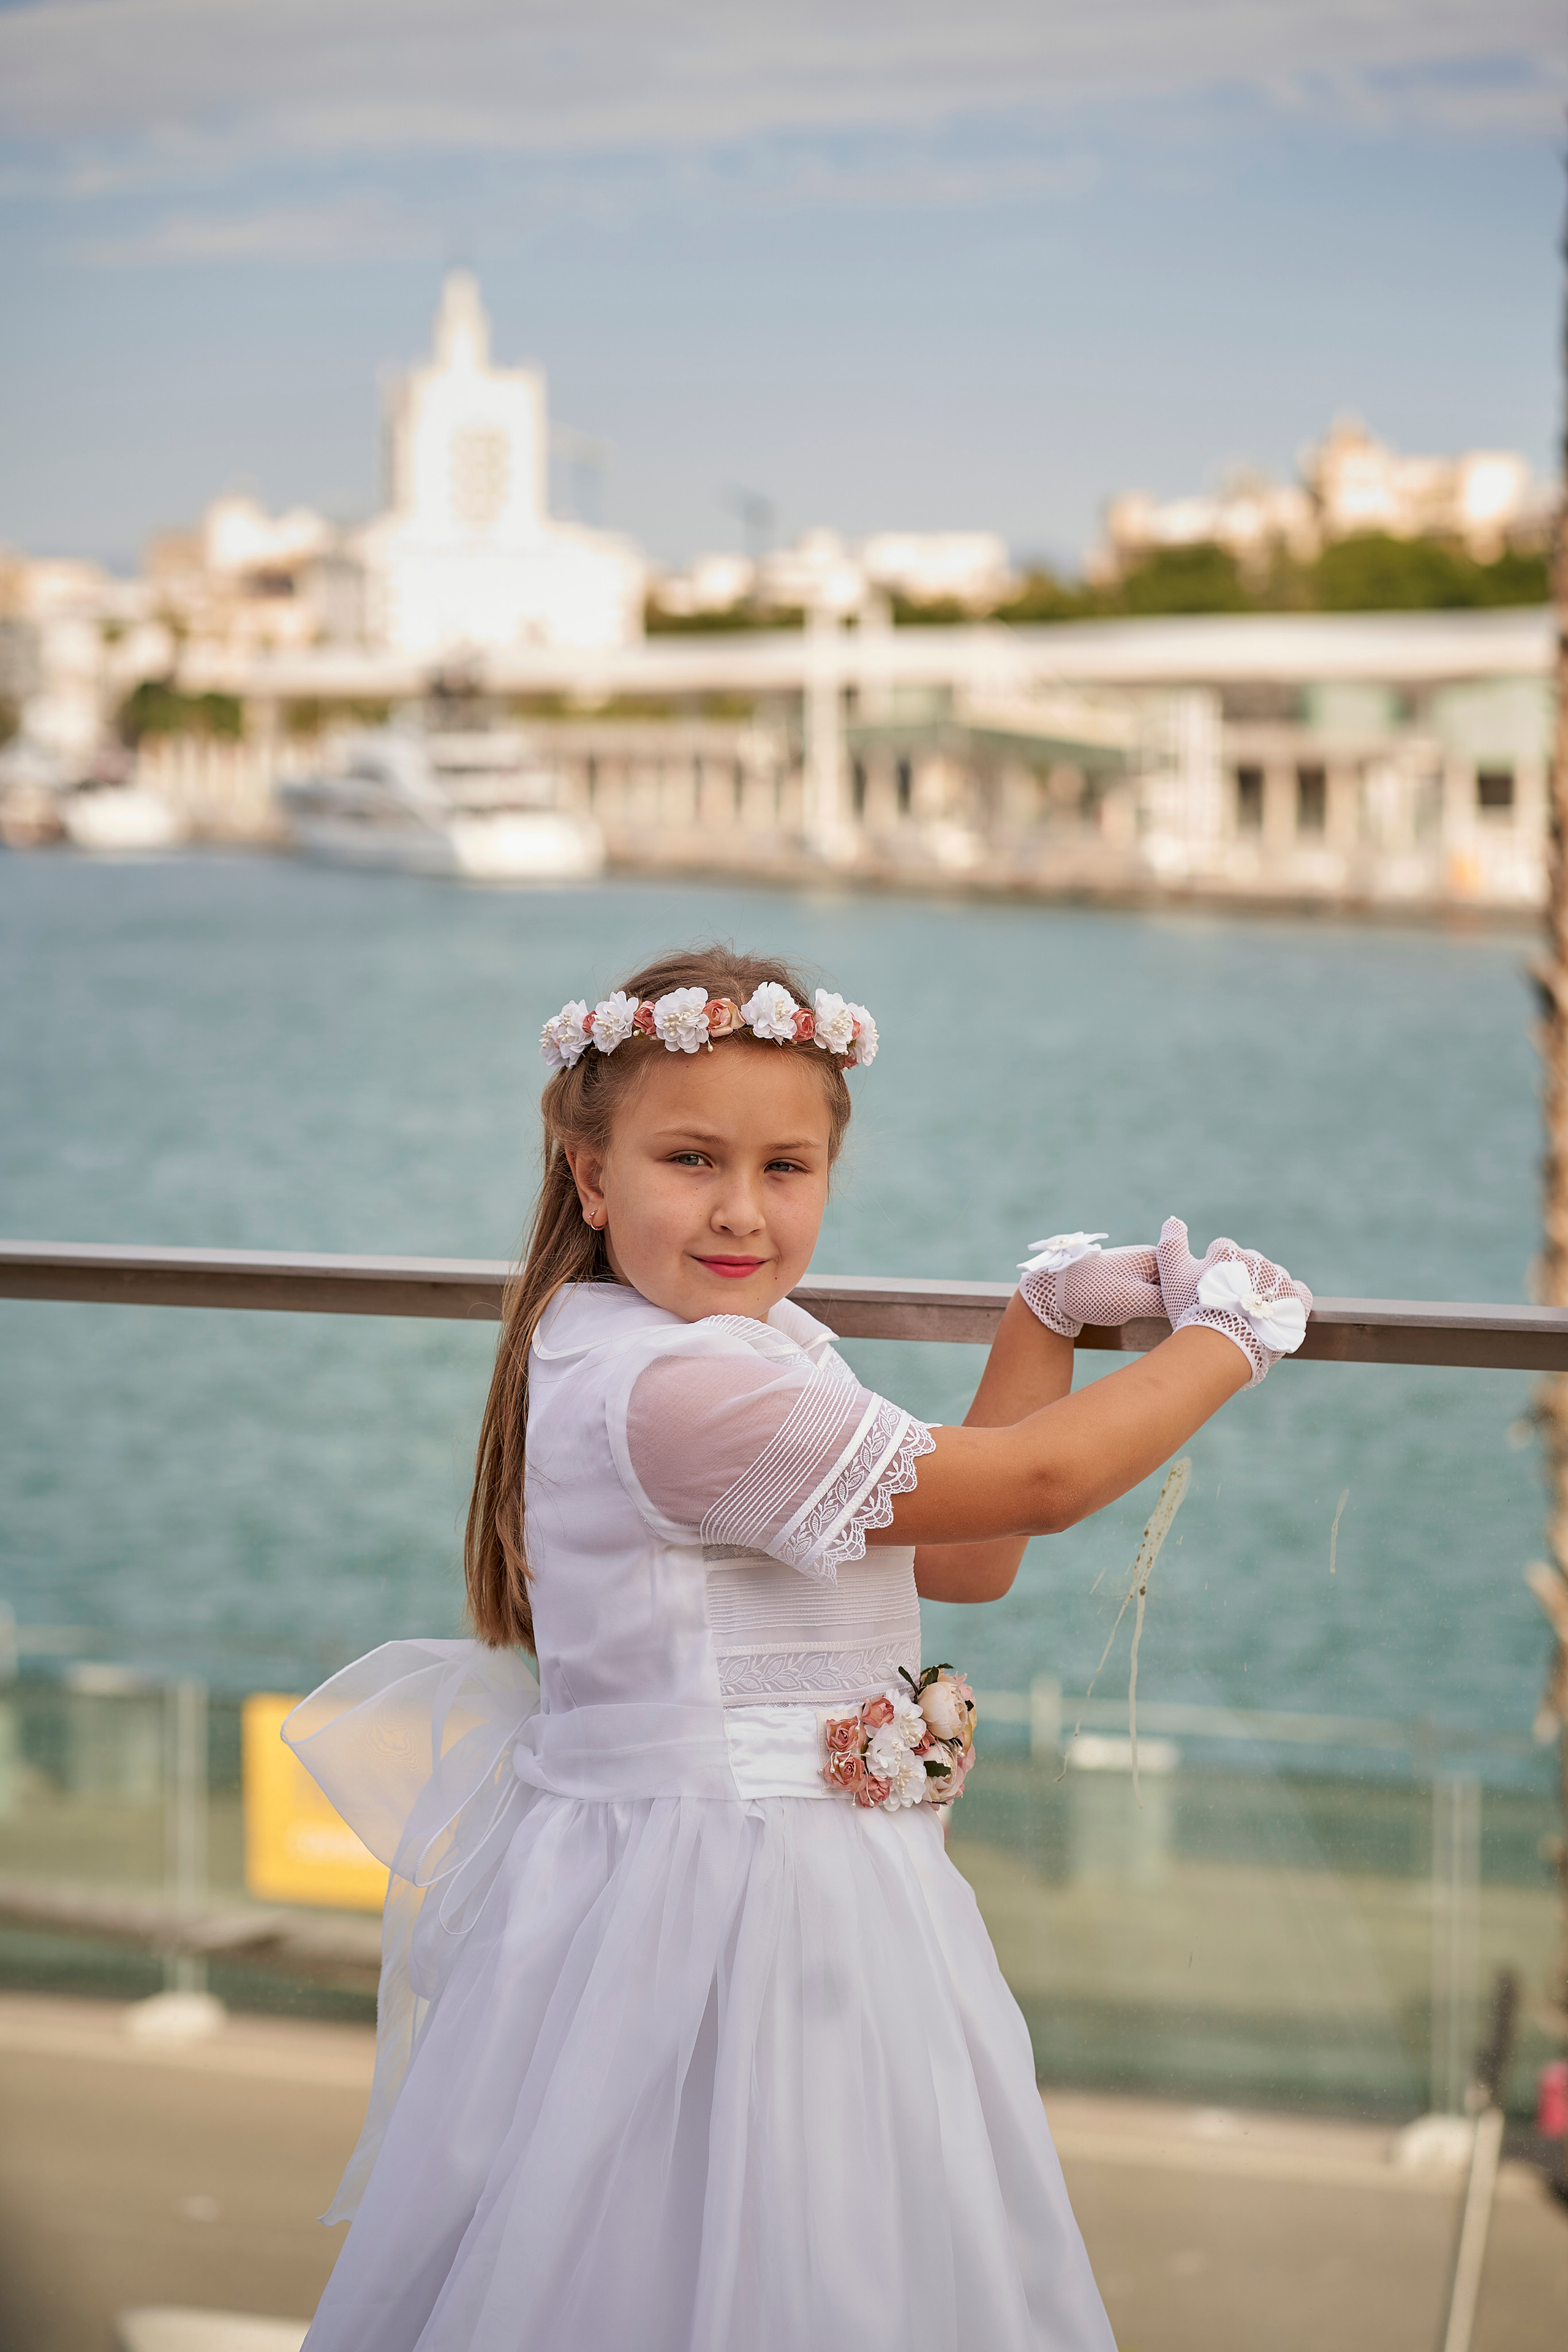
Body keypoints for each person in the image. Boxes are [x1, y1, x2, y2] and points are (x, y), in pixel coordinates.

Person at [285, 946, 1310, 2351]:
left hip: (769, 1890)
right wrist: (1228, 1336)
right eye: (689, 1159)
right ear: (589, 1177)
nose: (738, 1212)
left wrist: (1044, 1318)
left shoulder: (722, 1348)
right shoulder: (683, 1389)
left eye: (785, 1170)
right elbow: (1035, 1491)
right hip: (731, 1915)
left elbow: (962, 1559)